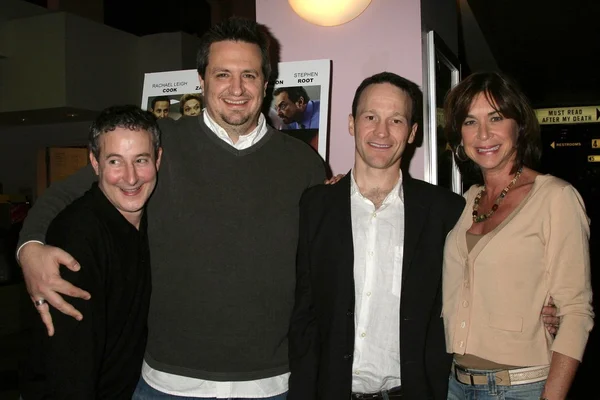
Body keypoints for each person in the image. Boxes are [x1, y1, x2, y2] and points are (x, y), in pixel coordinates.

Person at [16, 17, 325, 399]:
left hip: (273, 384)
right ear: (201, 80)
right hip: (167, 383)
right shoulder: (159, 147)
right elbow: (62, 194)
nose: (236, 88)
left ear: (266, 81)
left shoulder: (304, 163)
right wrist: (29, 248)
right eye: (222, 74)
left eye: (249, 74)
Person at [288, 72, 465, 400]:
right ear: (352, 123)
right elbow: (303, 315)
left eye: (396, 120)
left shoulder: (446, 212)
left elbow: (471, 295)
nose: (381, 131)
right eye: (370, 117)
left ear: (412, 133)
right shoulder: (314, 206)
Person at [442, 71, 594, 400]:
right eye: (470, 121)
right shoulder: (466, 200)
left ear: (518, 124)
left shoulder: (555, 197)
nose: (483, 134)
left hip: (521, 387)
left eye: (495, 117)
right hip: (456, 384)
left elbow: (577, 311)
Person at [19, 105, 162, 399]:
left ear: (158, 160)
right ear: (94, 164)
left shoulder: (150, 219)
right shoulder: (76, 237)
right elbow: (68, 365)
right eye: (115, 161)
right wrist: (27, 248)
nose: (131, 177)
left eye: (141, 160)